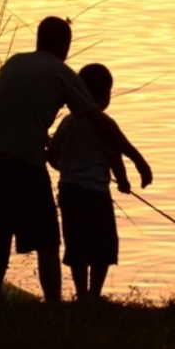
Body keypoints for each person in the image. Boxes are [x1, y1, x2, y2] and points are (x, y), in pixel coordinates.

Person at [0, 17, 151, 302]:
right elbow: (99, 122)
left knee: (0, 231)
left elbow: (15, 112)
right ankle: (54, 305)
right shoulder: (62, 72)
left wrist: (44, 142)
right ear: (64, 45)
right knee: (47, 238)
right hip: (22, 162)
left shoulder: (14, 63)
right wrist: (137, 159)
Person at [48, 63, 132, 301]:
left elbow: (53, 157)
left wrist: (65, 166)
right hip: (95, 194)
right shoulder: (104, 123)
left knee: (77, 244)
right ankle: (95, 293)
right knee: (102, 245)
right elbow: (115, 157)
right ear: (105, 96)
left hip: (69, 192)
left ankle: (81, 293)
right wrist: (123, 182)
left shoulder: (67, 122)